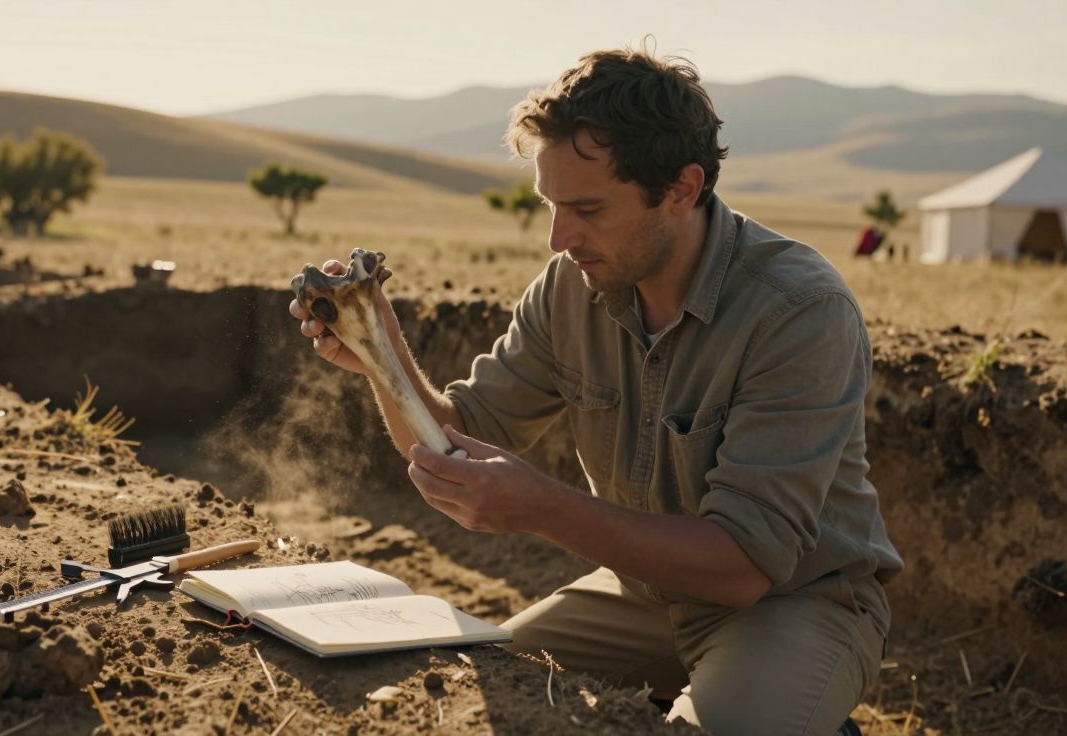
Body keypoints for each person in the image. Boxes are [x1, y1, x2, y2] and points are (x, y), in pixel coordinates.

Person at [290, 46, 902, 735]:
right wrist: (378, 349)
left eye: (586, 208)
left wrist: (544, 507)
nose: (558, 237)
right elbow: (456, 438)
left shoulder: (798, 311)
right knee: (474, 692)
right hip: (641, 595)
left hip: (793, 604)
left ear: (681, 189)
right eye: (550, 205)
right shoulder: (571, 286)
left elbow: (744, 566)